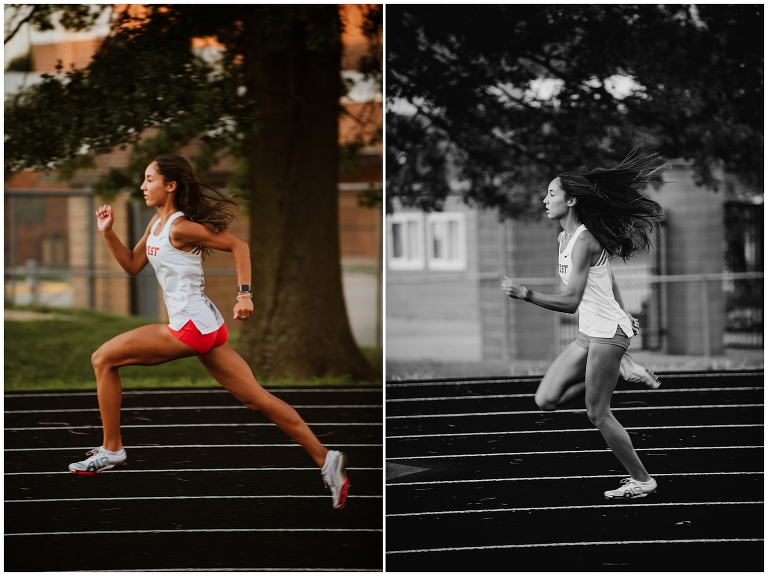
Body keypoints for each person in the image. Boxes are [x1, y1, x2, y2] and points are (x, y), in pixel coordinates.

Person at [68, 155, 350, 509]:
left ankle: (112, 449)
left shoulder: (179, 227)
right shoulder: (156, 225)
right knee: (256, 399)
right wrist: (108, 233)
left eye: (149, 179)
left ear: (170, 185)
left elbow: (239, 245)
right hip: (206, 327)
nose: (143, 186)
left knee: (103, 358)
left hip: (189, 327)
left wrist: (244, 294)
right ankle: (326, 458)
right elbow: (131, 265)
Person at [501, 147, 665, 499]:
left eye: (552, 194)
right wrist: (624, 312)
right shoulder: (563, 238)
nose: (545, 199)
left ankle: (642, 480)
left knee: (597, 413)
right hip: (593, 332)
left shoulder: (585, 240)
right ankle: (619, 373)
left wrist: (525, 293)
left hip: (606, 335)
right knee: (545, 399)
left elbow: (572, 301)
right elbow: (608, 281)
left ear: (571, 200)